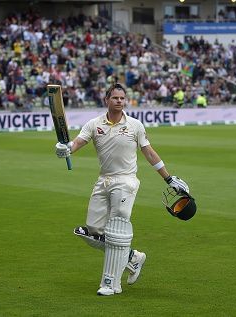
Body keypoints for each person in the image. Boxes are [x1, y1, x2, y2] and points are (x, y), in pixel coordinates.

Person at [55, 83, 190, 296]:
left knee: (117, 229)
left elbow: (149, 152)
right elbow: (77, 143)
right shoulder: (94, 124)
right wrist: (65, 149)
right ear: (106, 99)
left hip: (126, 181)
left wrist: (168, 178)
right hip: (104, 180)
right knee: (93, 231)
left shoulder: (135, 125)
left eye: (122, 98)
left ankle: (110, 283)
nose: (119, 101)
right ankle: (132, 258)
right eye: (115, 98)